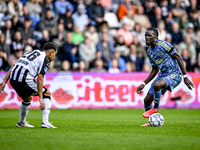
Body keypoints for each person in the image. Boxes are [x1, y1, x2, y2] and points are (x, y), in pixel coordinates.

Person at [136, 27, 194, 126]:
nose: (146, 38)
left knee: (157, 85)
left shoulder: (164, 45)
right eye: (145, 35)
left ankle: (156, 108)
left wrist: (185, 76)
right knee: (147, 100)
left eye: (149, 35)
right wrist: (144, 83)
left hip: (174, 74)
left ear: (156, 37)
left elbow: (179, 57)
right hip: (162, 74)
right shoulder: (149, 52)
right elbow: (155, 70)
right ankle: (151, 121)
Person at [0, 42, 57, 128]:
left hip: (13, 79)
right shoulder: (45, 59)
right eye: (54, 54)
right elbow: (40, 78)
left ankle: (22, 122)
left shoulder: (30, 52)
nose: (54, 57)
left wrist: (4, 81)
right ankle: (45, 122)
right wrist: (41, 98)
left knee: (27, 98)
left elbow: (13, 66)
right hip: (24, 79)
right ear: (51, 53)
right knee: (47, 93)